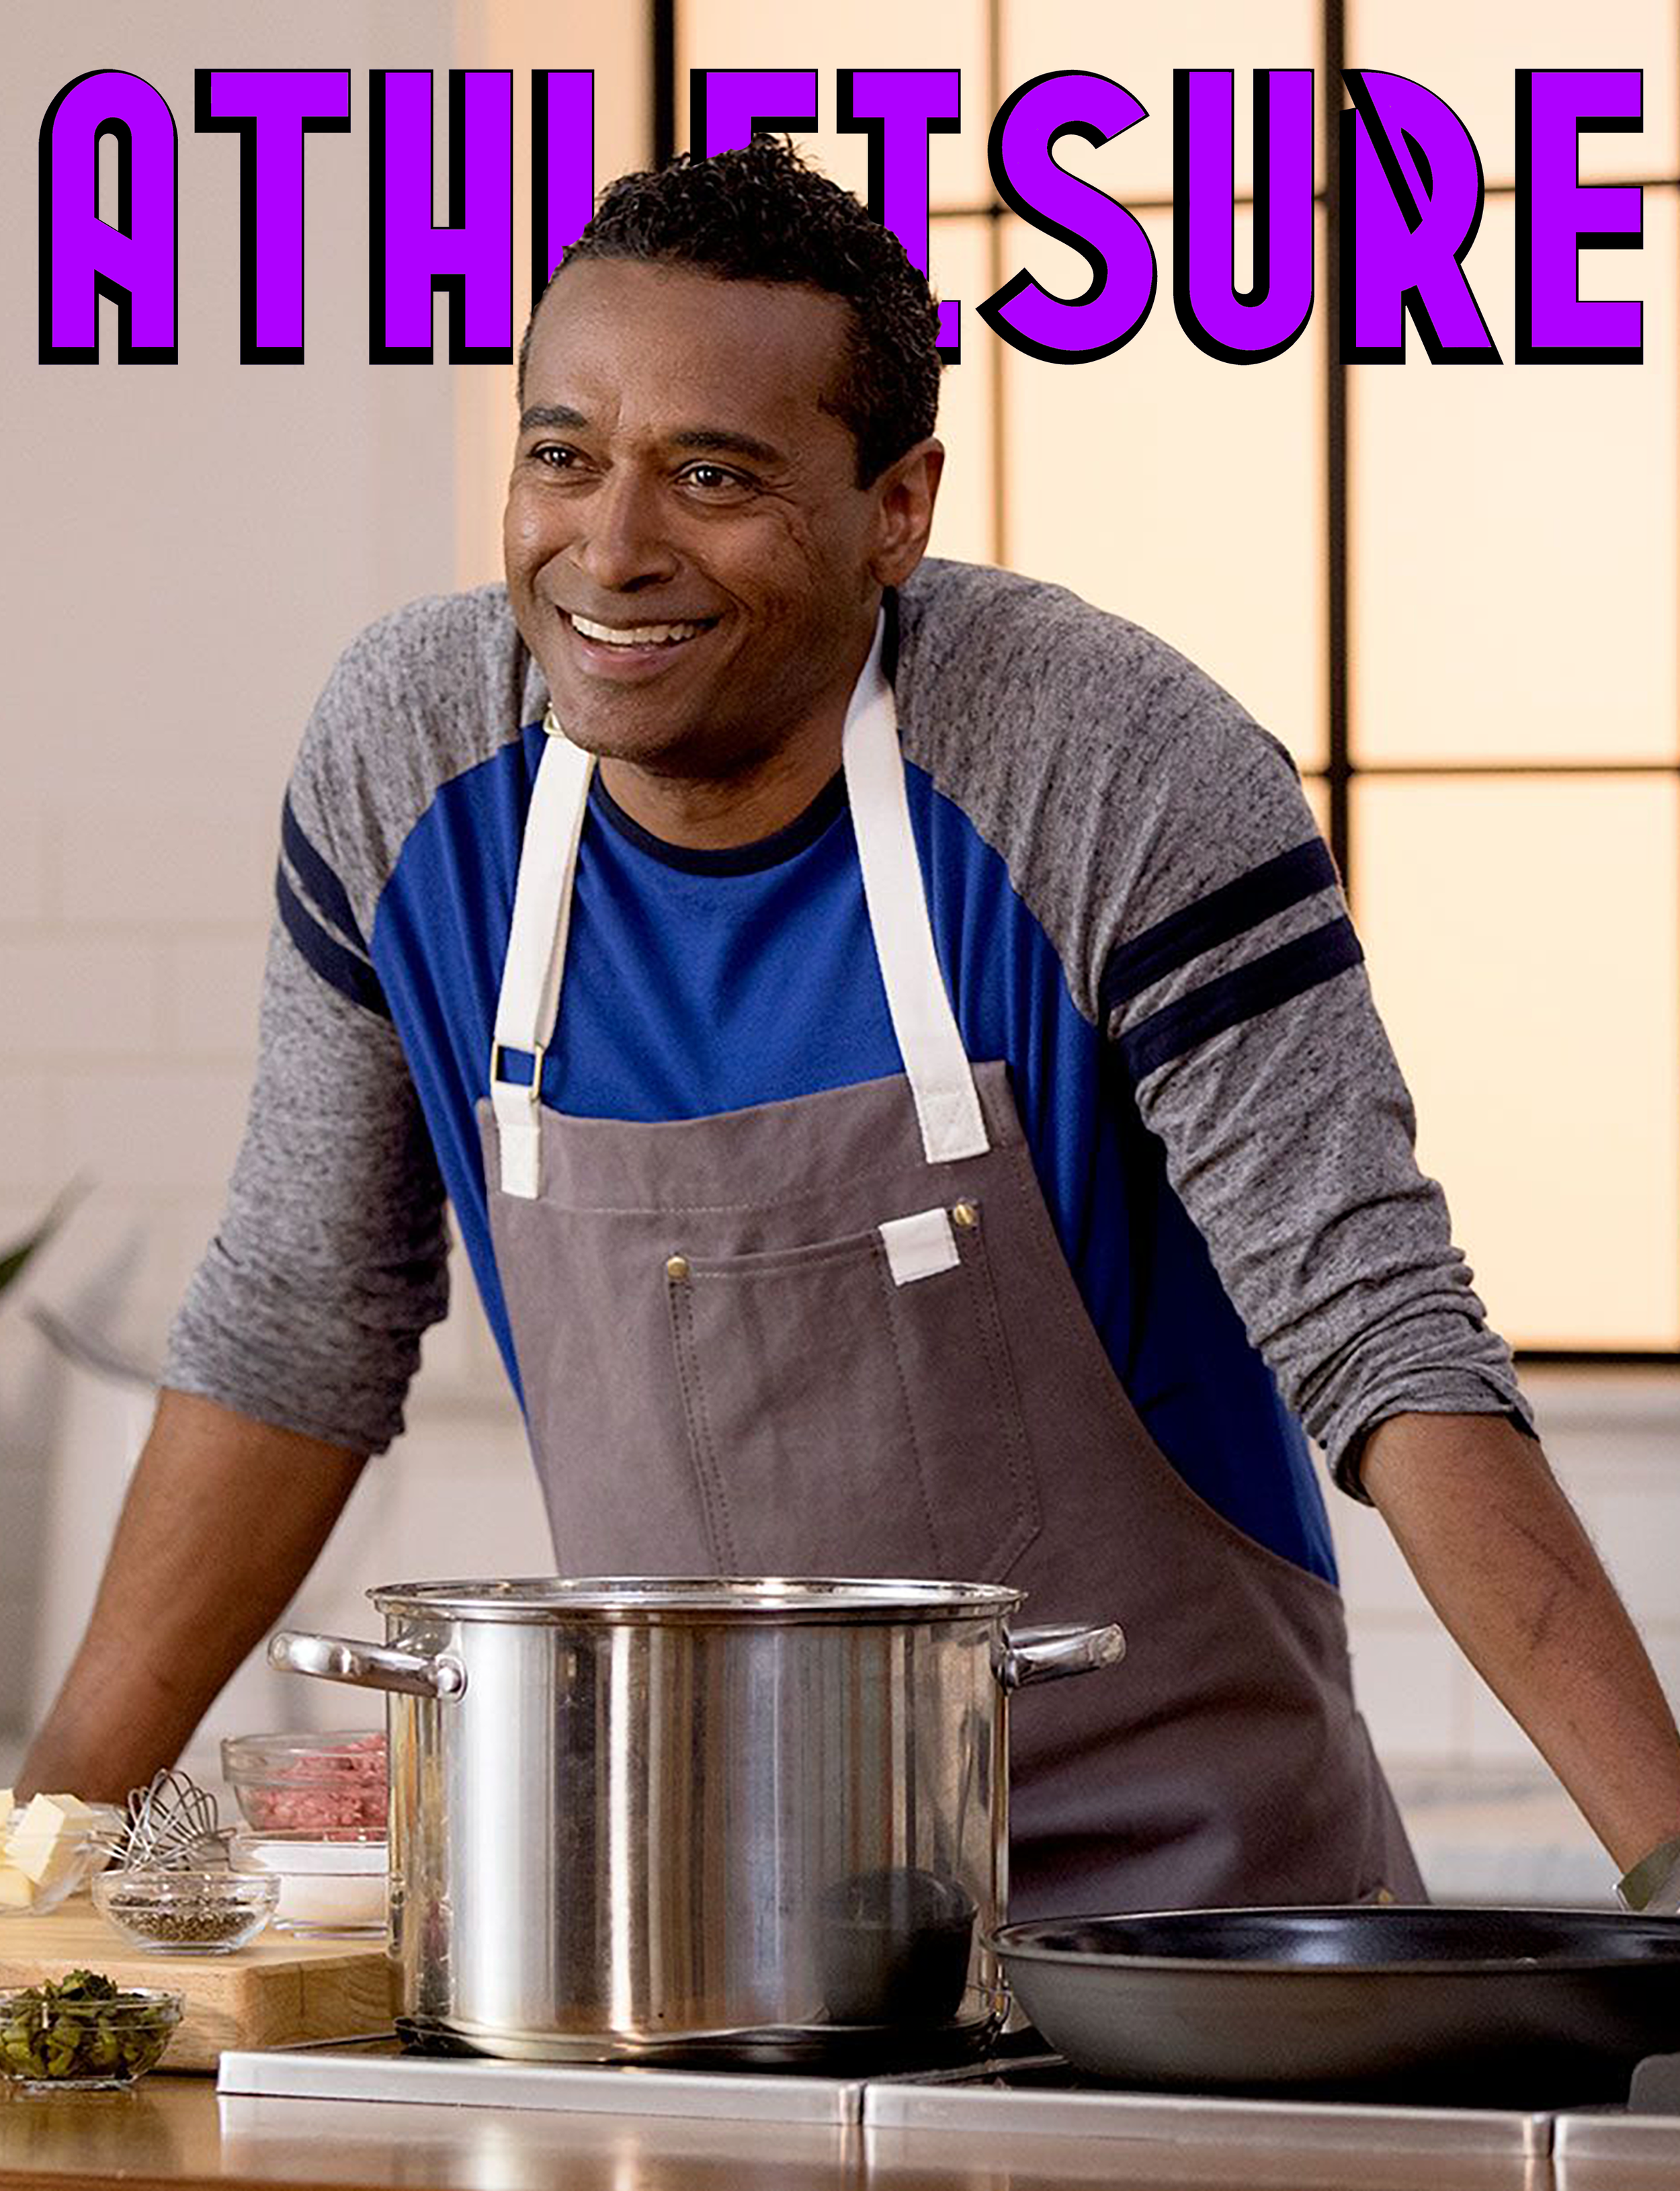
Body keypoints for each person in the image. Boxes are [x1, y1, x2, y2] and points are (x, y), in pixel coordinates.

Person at [22, 141, 1680, 1918]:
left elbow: (1376, 1332)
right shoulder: (409, 757)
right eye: (561, 455)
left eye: (713, 474)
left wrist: (1663, 1855)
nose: (612, 544)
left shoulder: (1099, 759)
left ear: (898, 504)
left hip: (1189, 1941)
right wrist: (38, 1859)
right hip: (693, 1940)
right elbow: (295, 1329)